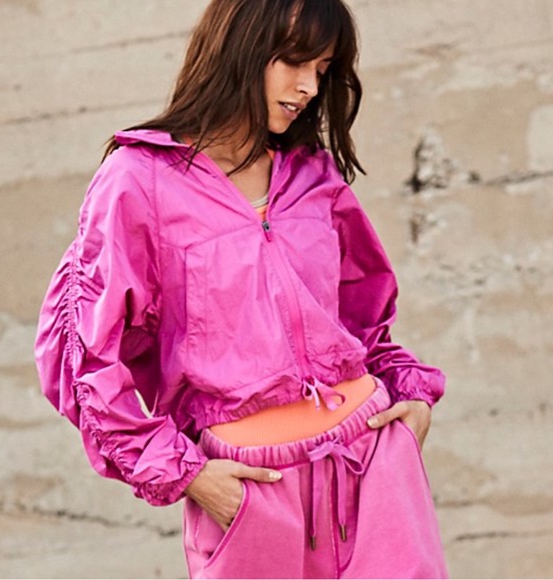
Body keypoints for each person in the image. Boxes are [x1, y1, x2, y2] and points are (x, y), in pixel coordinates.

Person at [34, 0, 448, 578]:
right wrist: (187, 474)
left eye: (322, 69)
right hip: (256, 493)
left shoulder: (312, 173)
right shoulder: (138, 181)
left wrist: (412, 398)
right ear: (241, 46)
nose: (308, 87)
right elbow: (83, 359)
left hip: (374, 469)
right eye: (294, 61)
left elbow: (363, 319)